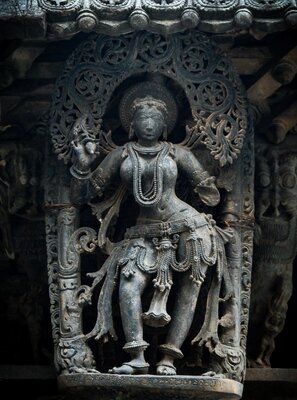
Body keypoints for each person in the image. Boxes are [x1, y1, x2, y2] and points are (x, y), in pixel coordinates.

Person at [71, 82, 228, 375]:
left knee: (189, 289)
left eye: (155, 119)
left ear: (164, 124)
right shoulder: (121, 154)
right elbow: (87, 193)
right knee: (129, 286)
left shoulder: (176, 153)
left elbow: (212, 195)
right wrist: (83, 164)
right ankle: (136, 356)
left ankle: (169, 357)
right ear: (131, 124)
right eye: (143, 118)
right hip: (143, 231)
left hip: (188, 227)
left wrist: (208, 178)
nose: (149, 124)